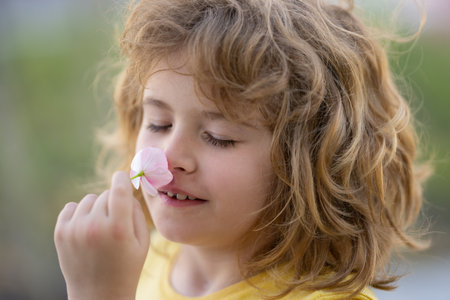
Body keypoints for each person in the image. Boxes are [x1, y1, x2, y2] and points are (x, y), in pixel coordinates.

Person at [54, 0, 431, 299]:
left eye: (219, 136)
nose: (171, 158)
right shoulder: (136, 259)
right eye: (159, 124)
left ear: (308, 163)